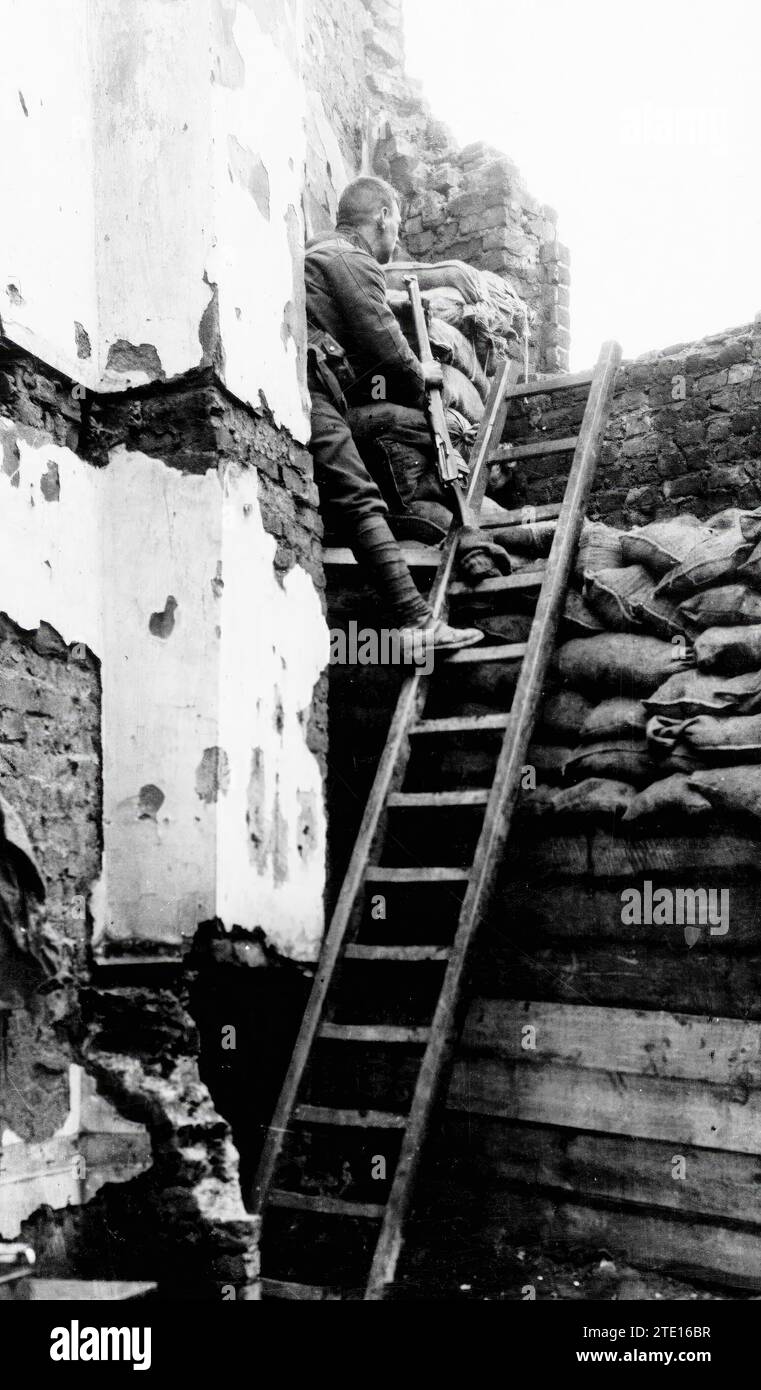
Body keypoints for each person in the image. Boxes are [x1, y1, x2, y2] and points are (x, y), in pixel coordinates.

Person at [304, 175, 483, 655]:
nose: (397, 235)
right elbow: (385, 343)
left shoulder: (324, 253)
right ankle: (415, 622)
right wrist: (422, 375)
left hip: (319, 385)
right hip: (311, 384)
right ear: (381, 215)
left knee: (359, 490)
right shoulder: (347, 257)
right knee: (360, 498)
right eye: (397, 223)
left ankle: (413, 623)